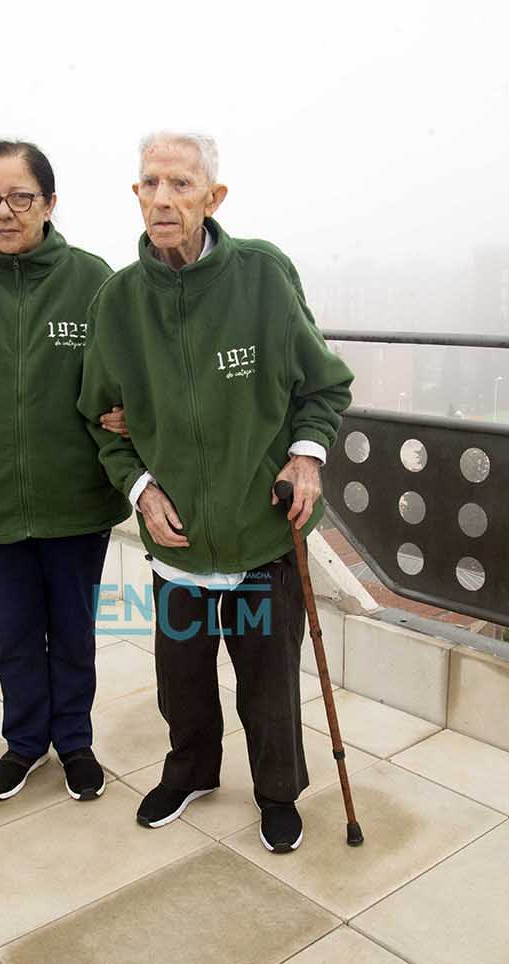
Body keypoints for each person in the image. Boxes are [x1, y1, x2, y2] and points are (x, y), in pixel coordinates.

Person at [78, 132, 353, 853]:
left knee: (267, 687)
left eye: (180, 184)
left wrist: (306, 457)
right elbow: (102, 421)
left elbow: (322, 384)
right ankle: (192, 770)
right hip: (179, 543)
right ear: (136, 195)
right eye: (149, 184)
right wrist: (140, 489)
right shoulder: (119, 300)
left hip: (264, 532)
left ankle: (277, 793)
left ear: (213, 197)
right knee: (183, 684)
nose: (162, 198)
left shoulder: (262, 275)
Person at [0, 141, 131, 803]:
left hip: (75, 497)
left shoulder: (93, 278)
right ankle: (24, 743)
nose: (5, 212)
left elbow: (127, 377)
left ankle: (74, 742)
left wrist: (134, 416)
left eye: (21, 197)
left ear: (49, 203)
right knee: (11, 635)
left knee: (72, 632)